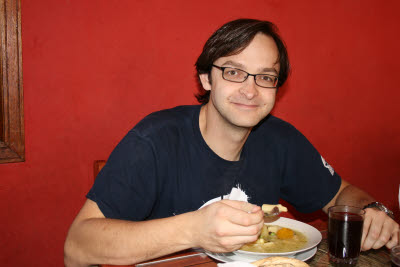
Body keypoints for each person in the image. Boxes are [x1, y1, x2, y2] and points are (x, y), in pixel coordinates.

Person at [64, 18, 399, 266]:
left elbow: (341, 195)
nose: (250, 90)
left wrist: (371, 211)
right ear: (206, 78)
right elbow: (77, 246)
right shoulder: (154, 140)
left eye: (265, 77)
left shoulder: (280, 139)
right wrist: (194, 228)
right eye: (234, 72)